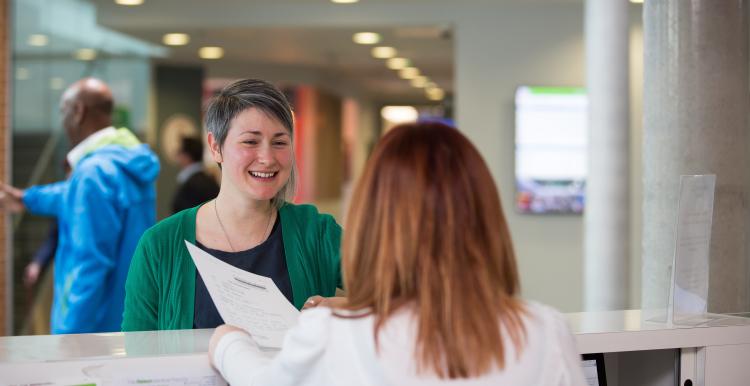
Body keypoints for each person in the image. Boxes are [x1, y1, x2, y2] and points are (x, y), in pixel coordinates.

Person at [208, 122, 586, 385]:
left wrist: (227, 342)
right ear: (485, 217)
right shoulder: (544, 331)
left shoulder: (333, 335)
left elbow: (263, 382)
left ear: (374, 220)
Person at [122, 79, 342, 331]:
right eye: (250, 142)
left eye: (280, 142)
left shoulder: (316, 232)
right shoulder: (159, 245)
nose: (267, 158)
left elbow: (394, 291)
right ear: (216, 147)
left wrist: (345, 307)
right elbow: (136, 358)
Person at [0, 78, 160, 334]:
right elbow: (70, 195)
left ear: (78, 111)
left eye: (63, 111)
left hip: (95, 330)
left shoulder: (92, 173)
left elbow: (89, 263)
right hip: (128, 317)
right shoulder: (126, 163)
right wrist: (26, 198)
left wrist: (67, 338)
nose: (62, 122)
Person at [172, 136, 220, 214]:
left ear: (187, 156)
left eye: (179, 152)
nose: (177, 156)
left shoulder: (192, 186)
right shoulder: (208, 180)